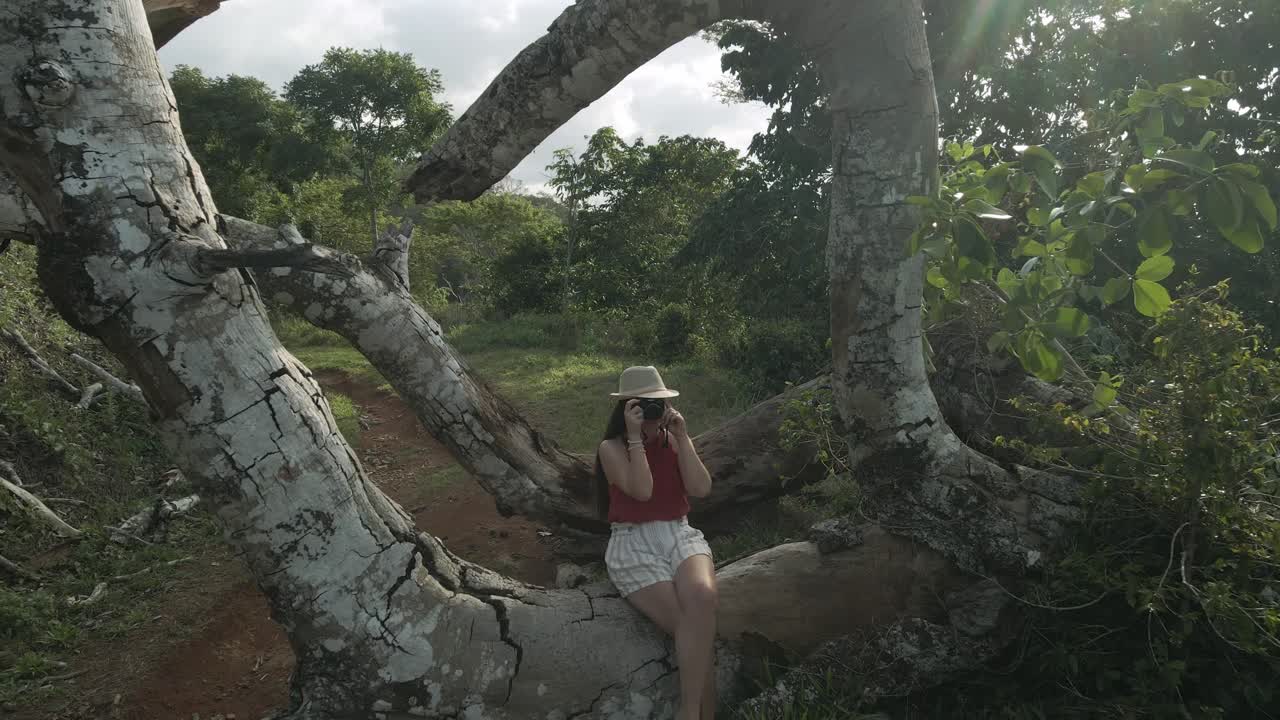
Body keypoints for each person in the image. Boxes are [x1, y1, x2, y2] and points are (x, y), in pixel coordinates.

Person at [595, 365, 717, 720]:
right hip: (633, 542)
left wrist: (683, 438)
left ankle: (689, 712)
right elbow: (643, 492)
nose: (653, 412)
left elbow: (701, 489)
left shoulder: (673, 441)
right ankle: (697, 713)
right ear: (626, 408)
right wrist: (636, 438)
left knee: (703, 597)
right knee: (693, 628)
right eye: (644, 405)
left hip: (679, 533)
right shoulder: (611, 447)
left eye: (659, 404)